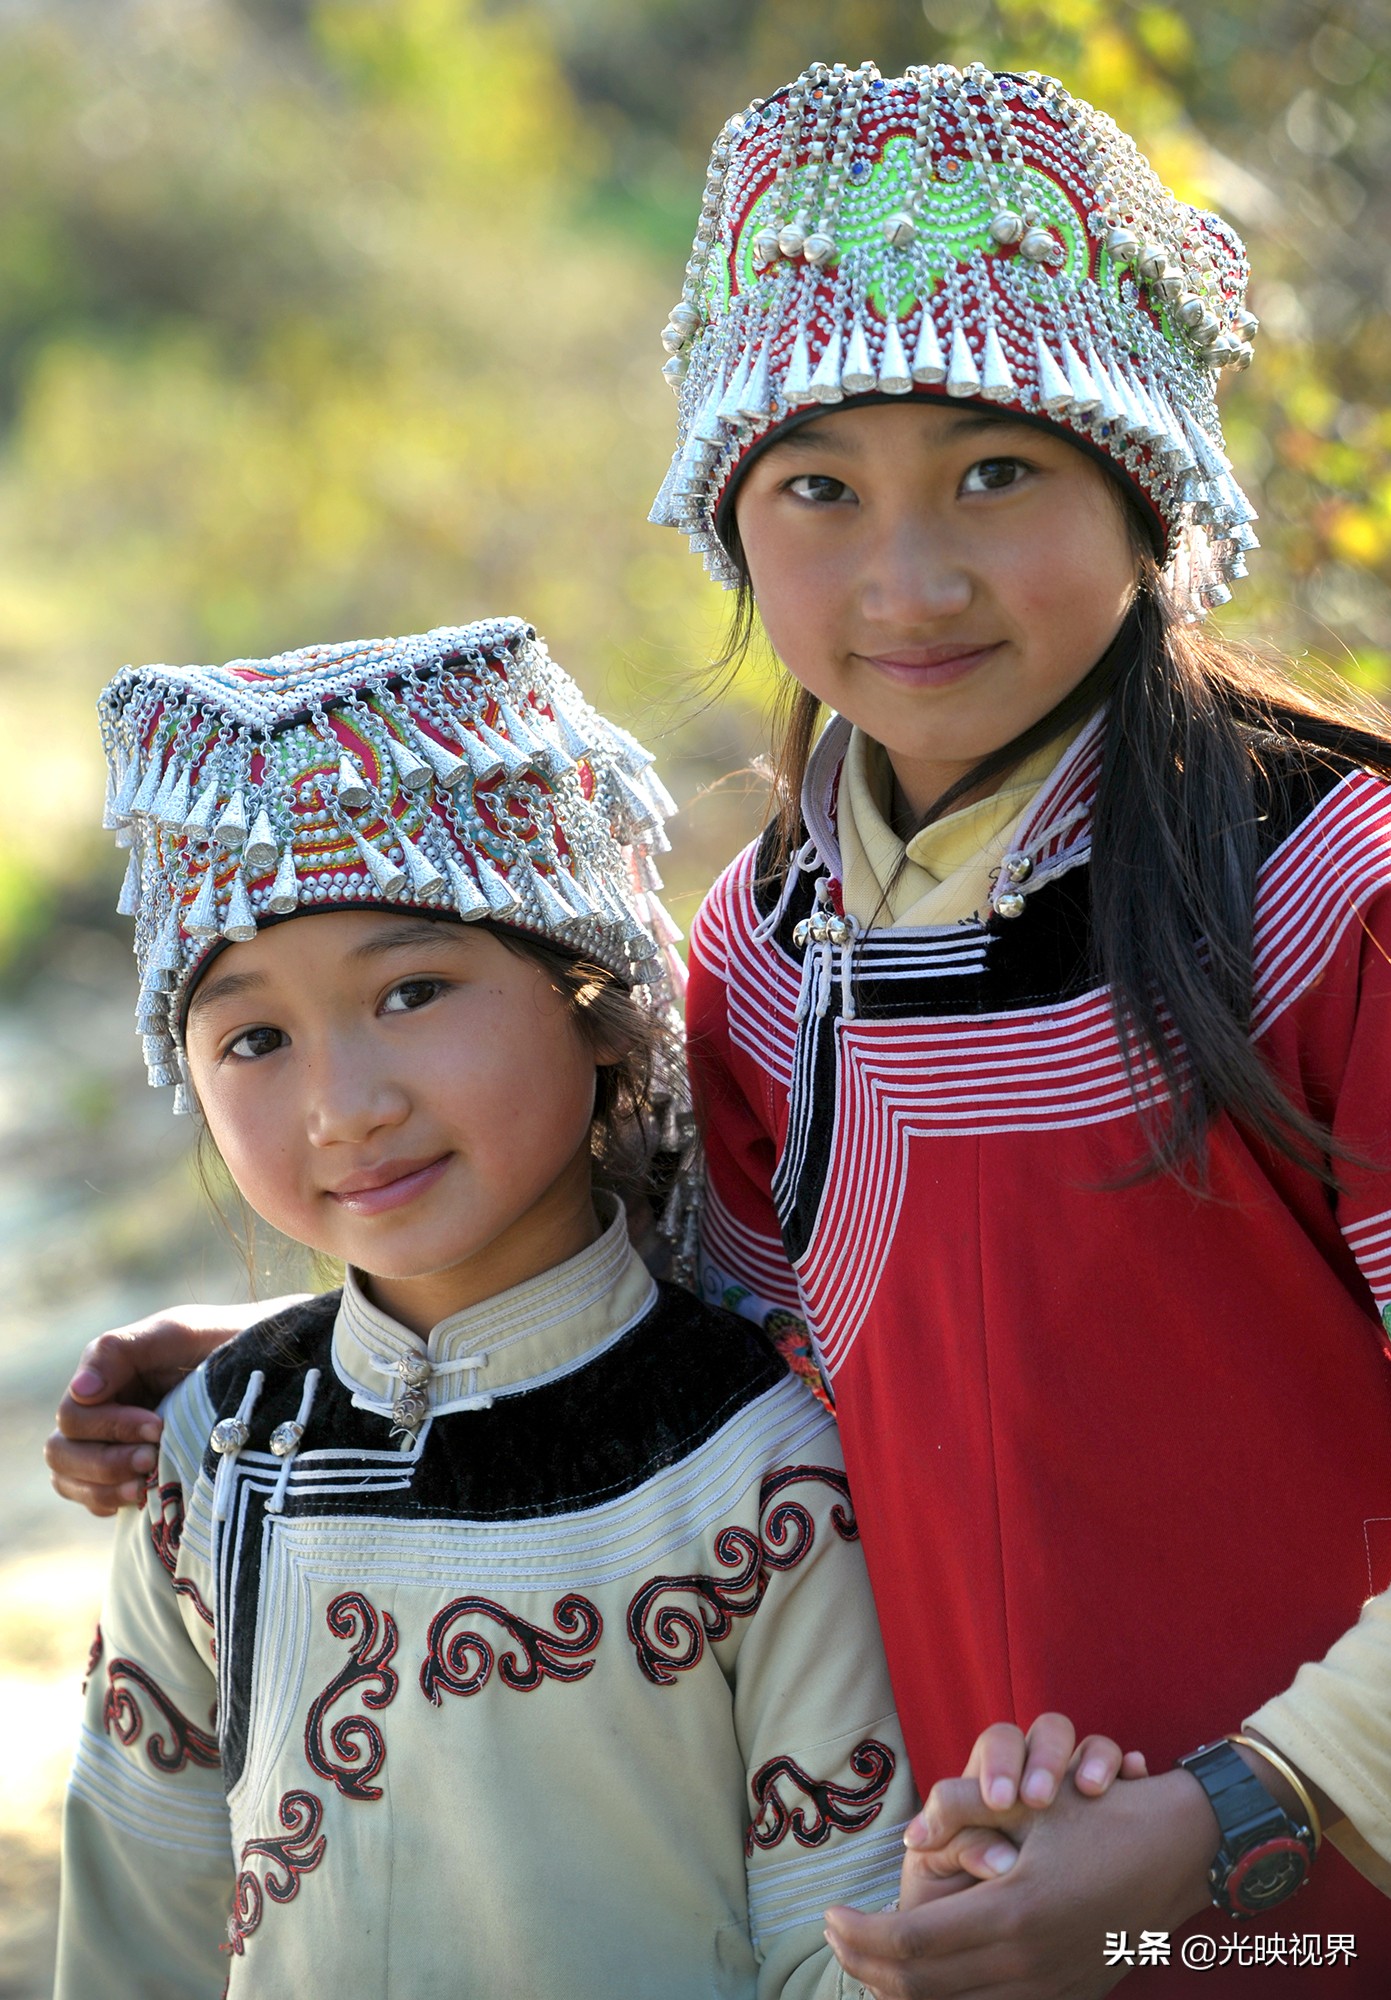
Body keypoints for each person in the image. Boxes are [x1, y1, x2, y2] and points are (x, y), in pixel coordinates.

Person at [47, 59, 1391, 1996]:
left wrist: (1230, 1821)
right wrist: (321, 1356)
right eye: (818, 488)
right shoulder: (768, 954)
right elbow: (709, 1341)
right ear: (731, 524)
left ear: (1148, 477)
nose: (905, 577)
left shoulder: (1329, 898)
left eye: (996, 470)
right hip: (940, 1929)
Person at [60, 615, 953, 2000]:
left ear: (597, 1003)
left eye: (414, 990)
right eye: (254, 1038)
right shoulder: (215, 1459)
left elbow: (838, 1945)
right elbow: (137, 1928)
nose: (346, 1105)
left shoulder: (754, 1465)